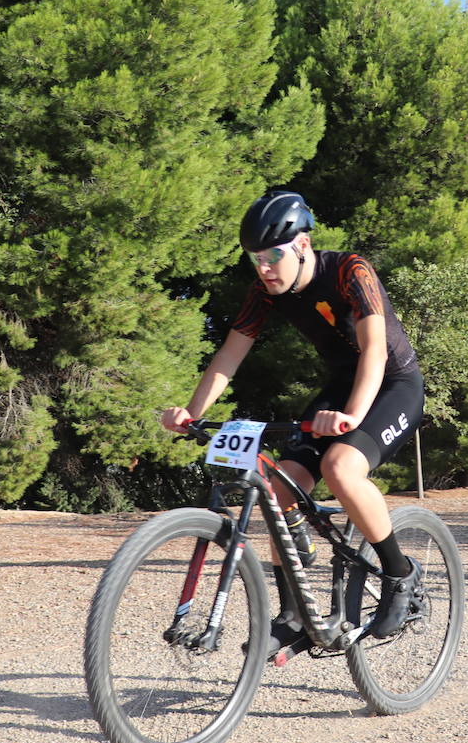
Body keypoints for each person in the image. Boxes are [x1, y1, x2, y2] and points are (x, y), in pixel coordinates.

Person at [160, 190, 425, 652]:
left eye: (272, 256)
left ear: (302, 245)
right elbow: (229, 355)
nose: (263, 267)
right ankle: (293, 613)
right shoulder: (264, 291)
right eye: (255, 258)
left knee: (340, 468)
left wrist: (351, 418)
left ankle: (400, 576)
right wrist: (193, 413)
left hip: (392, 384)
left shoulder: (349, 271)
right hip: (341, 388)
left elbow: (376, 353)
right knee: (281, 487)